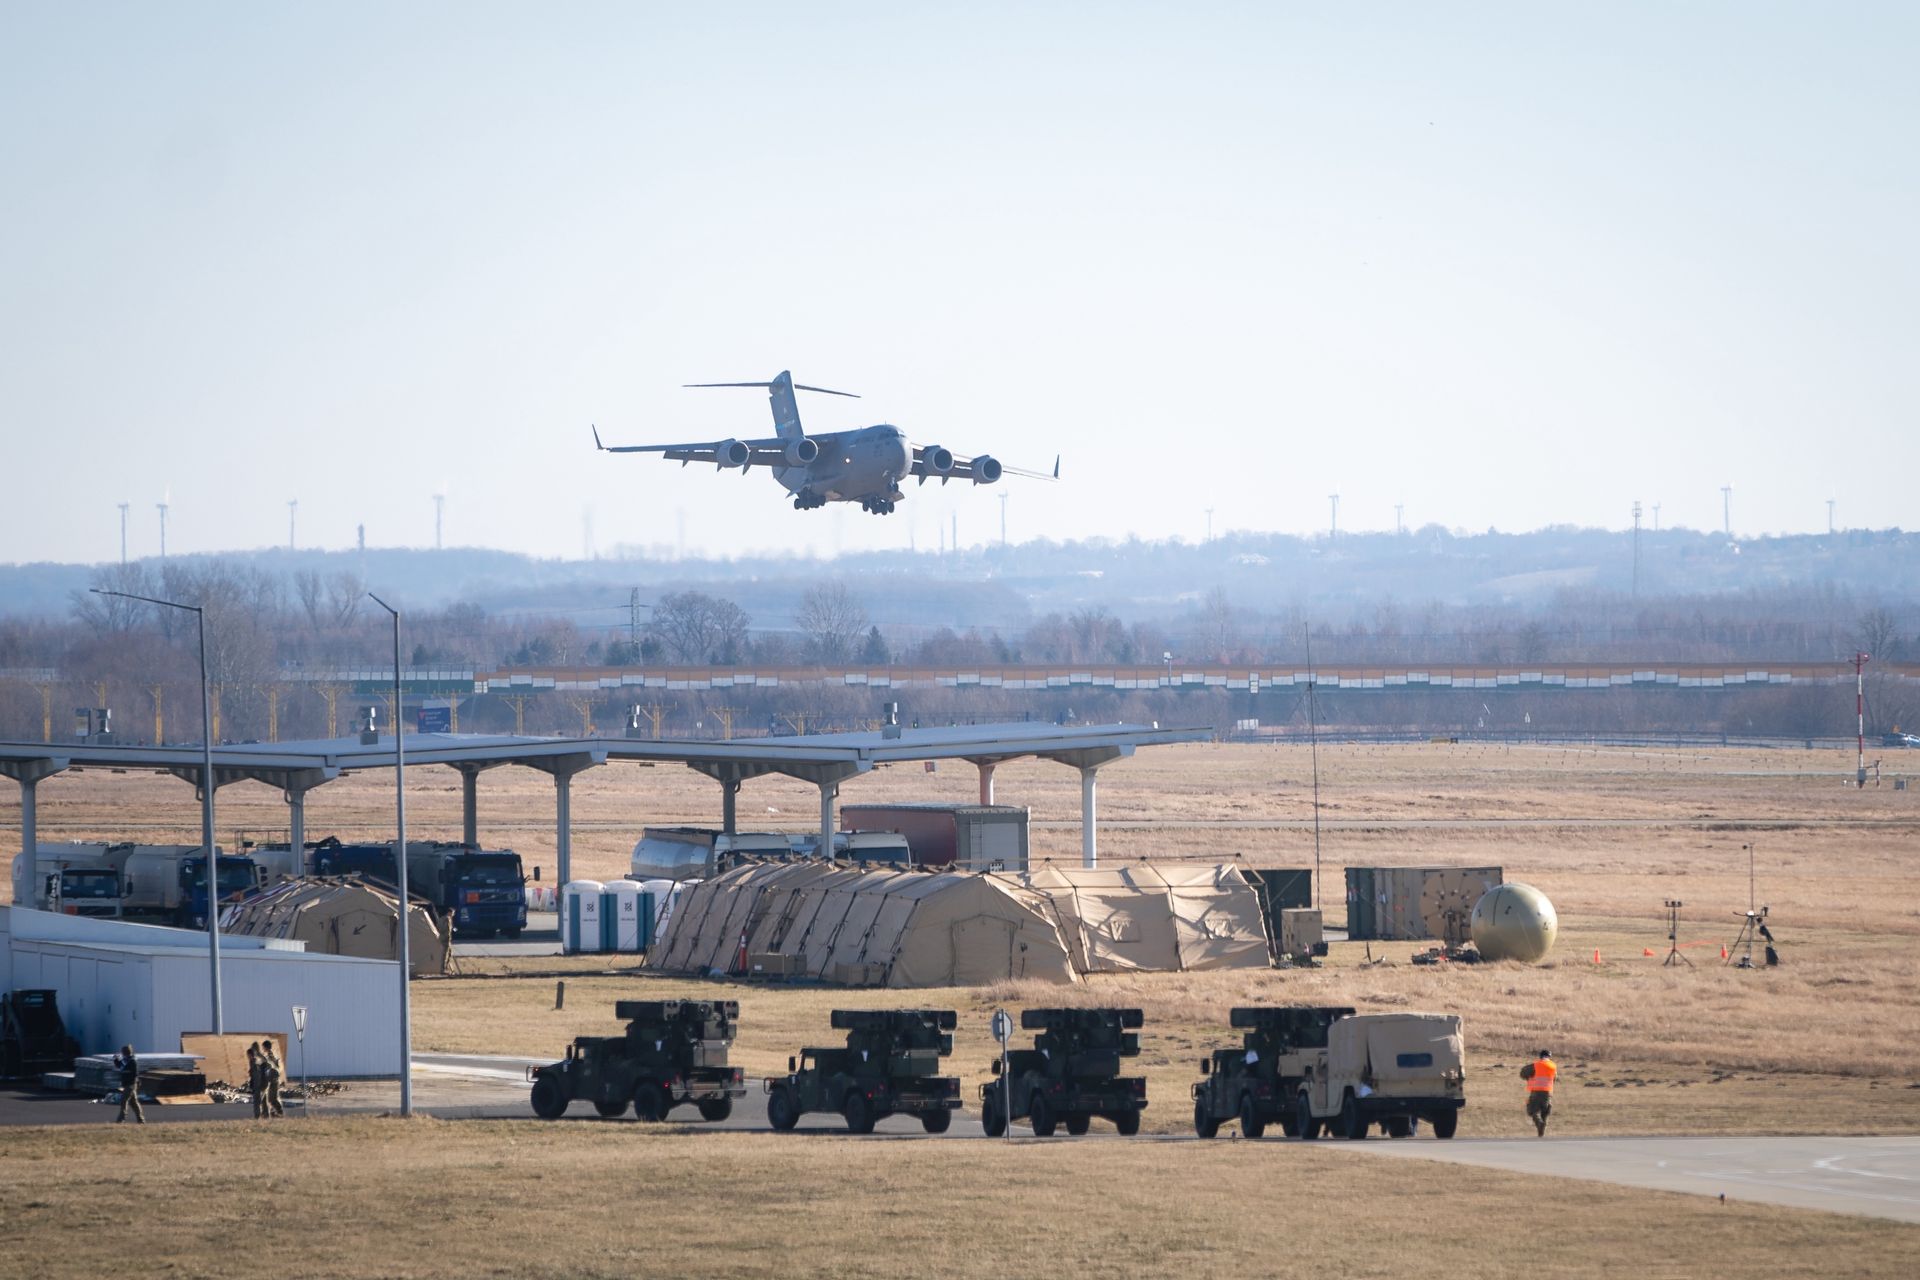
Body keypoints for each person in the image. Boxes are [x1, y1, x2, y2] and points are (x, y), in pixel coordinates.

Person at [1520, 1048, 1557, 1136]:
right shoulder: (1553, 1066)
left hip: (1536, 1092)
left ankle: (1540, 1124)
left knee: (1534, 1111)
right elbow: (1554, 1079)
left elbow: (1523, 1073)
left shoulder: (1536, 1065)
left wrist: (1529, 1077)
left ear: (1540, 1056)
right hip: (1548, 1093)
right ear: (1549, 1057)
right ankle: (1541, 1134)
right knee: (1544, 1113)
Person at [114, 1045, 145, 1124]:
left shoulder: (132, 1061)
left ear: (125, 1052)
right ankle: (141, 1120)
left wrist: (133, 1083)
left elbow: (135, 1073)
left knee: (124, 1100)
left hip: (131, 1084)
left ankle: (121, 1120)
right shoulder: (125, 1060)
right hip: (127, 1084)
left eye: (123, 1051)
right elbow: (119, 1066)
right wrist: (116, 1059)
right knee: (134, 1103)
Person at [261, 1039, 285, 1117]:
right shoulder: (271, 1054)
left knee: (272, 1098)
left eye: (263, 1047)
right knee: (271, 1098)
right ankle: (274, 1112)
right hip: (272, 1079)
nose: (262, 1048)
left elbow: (274, 1066)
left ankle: (279, 1112)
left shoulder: (271, 1055)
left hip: (273, 1079)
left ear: (265, 1047)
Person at [246, 1044, 265, 1119]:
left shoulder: (254, 1062)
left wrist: (256, 1086)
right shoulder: (254, 1061)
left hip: (258, 1085)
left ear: (250, 1055)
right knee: (257, 1101)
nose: (247, 1057)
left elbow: (257, 1075)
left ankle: (258, 1116)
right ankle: (258, 1116)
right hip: (257, 1084)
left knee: (257, 1101)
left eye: (248, 1055)